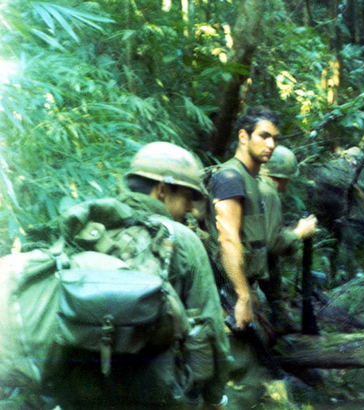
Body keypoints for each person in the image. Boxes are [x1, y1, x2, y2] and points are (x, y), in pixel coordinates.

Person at [54, 141, 231, 409]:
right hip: (154, 392)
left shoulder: (91, 227)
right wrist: (213, 398)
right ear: (161, 191)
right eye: (186, 197)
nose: (191, 209)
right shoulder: (182, 238)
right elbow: (211, 328)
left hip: (82, 389)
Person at [208, 106, 280, 331]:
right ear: (243, 136)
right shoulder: (231, 177)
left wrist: (250, 290)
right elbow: (228, 239)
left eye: (275, 139)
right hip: (223, 292)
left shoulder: (251, 179)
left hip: (240, 287)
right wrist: (242, 297)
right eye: (264, 136)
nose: (271, 145)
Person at [258, 145, 318, 335]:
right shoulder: (267, 192)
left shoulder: (252, 183)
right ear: (283, 177)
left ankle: (280, 318)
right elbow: (273, 244)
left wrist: (290, 231)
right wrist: (300, 233)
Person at [310, 146, 364, 281]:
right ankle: (345, 280)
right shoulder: (362, 174)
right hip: (351, 221)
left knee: (331, 250)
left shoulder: (331, 168)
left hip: (329, 219)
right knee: (347, 252)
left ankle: (331, 280)